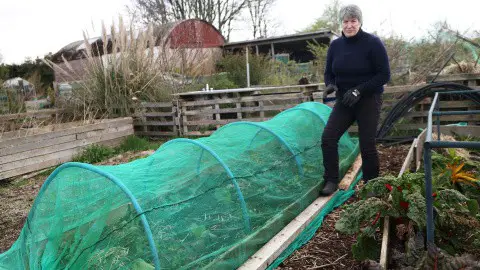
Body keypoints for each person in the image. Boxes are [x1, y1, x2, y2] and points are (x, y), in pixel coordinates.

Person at [320, 4, 391, 196]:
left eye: (353, 21)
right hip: (345, 100)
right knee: (328, 138)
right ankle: (331, 179)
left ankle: (372, 186)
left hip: (368, 98)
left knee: (366, 143)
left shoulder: (373, 43)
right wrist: (331, 84)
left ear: (360, 22)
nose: (349, 25)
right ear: (341, 23)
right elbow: (329, 72)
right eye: (345, 21)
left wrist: (359, 90)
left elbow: (384, 74)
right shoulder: (335, 46)